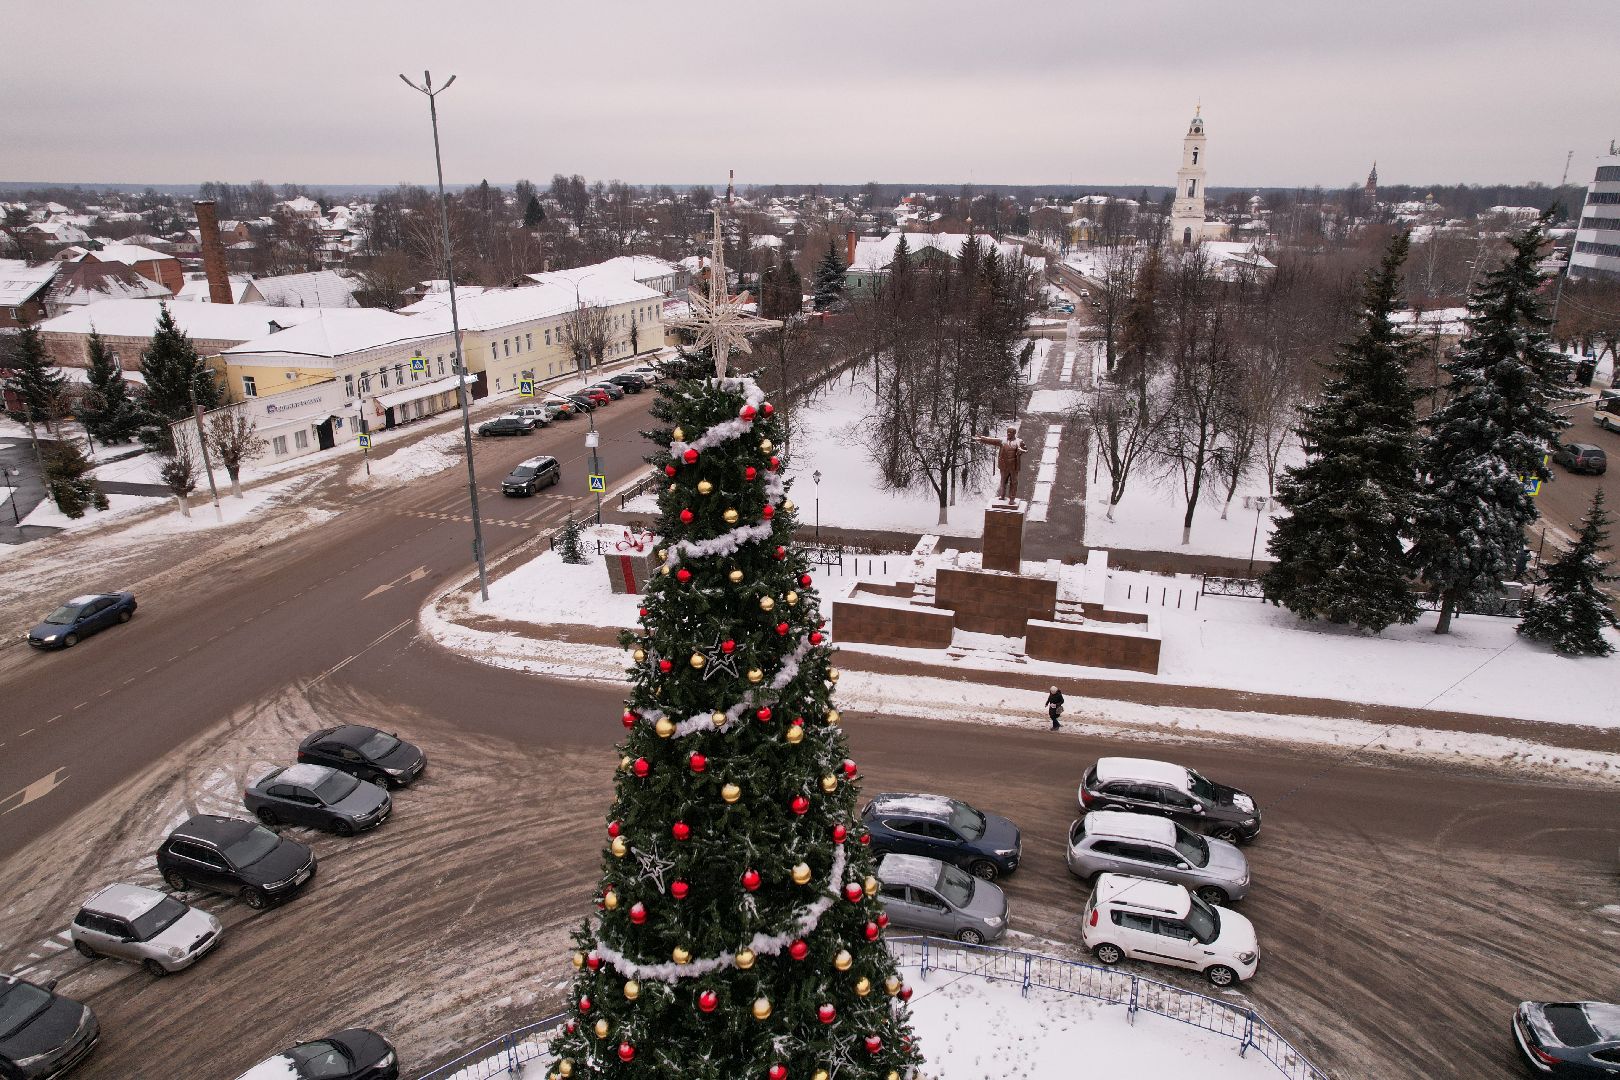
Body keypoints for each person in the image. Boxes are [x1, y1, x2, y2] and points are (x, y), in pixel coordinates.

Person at [974, 425, 1028, 504]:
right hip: (1004, 466)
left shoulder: (1019, 441)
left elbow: (1026, 450)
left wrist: (1021, 451)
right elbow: (992, 440)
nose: (1008, 434)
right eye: (1008, 432)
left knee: (1014, 482)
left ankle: (1012, 498)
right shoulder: (1002, 441)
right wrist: (982, 439)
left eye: (1010, 432)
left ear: (1014, 433)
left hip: (1014, 467)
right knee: (1003, 481)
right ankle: (1002, 495)